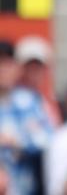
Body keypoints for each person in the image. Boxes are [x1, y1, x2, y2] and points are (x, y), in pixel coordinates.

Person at [0, 40, 54, 195]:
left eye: (7, 64)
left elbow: (47, 138)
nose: (3, 70)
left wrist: (16, 141)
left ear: (16, 69)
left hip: (25, 187)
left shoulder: (31, 101)